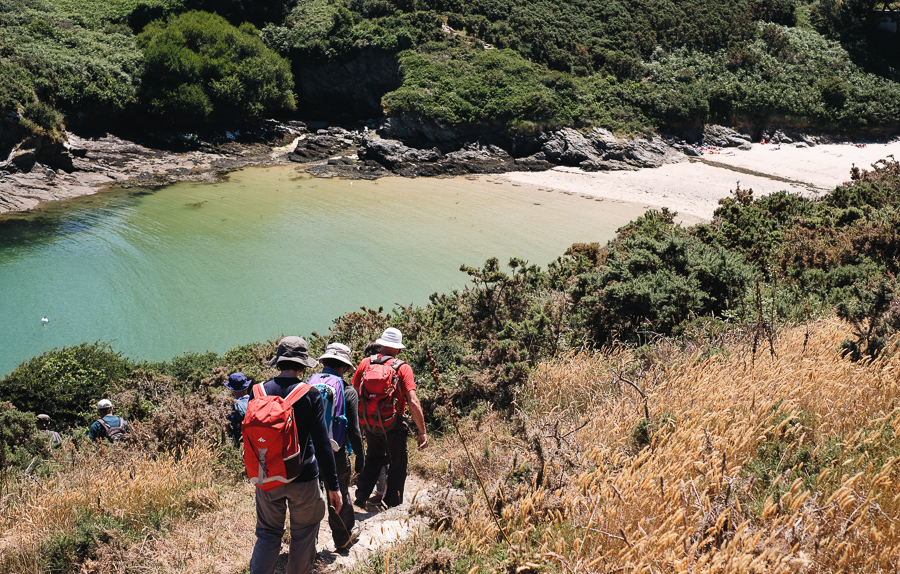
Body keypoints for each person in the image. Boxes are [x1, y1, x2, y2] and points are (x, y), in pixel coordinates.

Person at [249, 336, 342, 574]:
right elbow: (322, 444)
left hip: (267, 477)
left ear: (279, 362)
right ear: (302, 365)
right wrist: (333, 486)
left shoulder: (257, 391)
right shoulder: (310, 394)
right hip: (303, 477)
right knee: (303, 535)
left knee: (268, 534)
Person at [352, 327, 427, 509]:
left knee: (374, 457)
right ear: (398, 348)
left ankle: (361, 496)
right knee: (398, 462)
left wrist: (359, 422)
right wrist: (422, 431)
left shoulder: (365, 364)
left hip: (368, 421)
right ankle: (392, 503)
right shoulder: (403, 368)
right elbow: (413, 401)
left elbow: (354, 393)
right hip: (392, 422)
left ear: (381, 345)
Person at [313, 343, 364, 550]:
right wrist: (361, 456)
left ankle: (308, 543)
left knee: (312, 497)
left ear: (324, 362)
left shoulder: (309, 384)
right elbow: (354, 430)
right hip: (335, 451)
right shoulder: (347, 390)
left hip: (310, 452)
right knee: (340, 493)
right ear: (344, 367)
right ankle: (343, 537)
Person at [223, 372, 251, 445]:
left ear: (232, 390)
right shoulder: (256, 401)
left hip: (239, 444)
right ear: (247, 386)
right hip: (257, 441)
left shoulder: (231, 406)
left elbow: (227, 430)